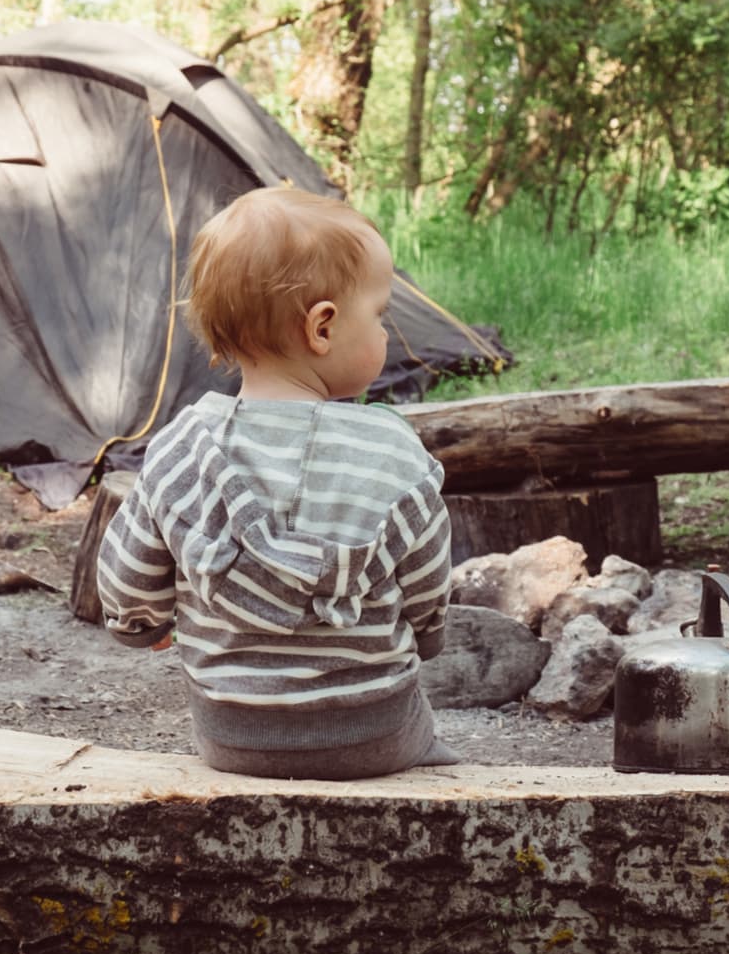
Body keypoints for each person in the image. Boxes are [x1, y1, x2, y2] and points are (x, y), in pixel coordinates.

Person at [96, 187, 459, 779]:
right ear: (322, 327)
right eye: (381, 315)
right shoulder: (394, 450)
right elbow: (428, 591)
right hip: (375, 732)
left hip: (233, 736)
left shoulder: (179, 447)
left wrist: (145, 626)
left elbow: (125, 585)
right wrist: (428, 634)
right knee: (412, 710)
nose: (388, 334)